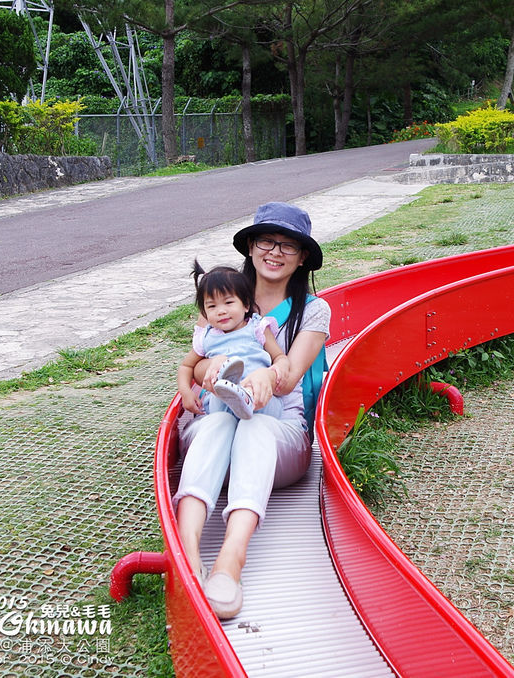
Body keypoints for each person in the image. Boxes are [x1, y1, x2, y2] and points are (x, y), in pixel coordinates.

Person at [173, 202, 330, 620]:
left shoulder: (312, 311)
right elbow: (197, 360)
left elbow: (291, 373)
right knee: (219, 423)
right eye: (266, 241)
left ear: (302, 259)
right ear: (250, 246)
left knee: (255, 426)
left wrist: (266, 376)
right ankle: (188, 553)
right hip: (218, 419)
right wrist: (215, 371)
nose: (275, 252)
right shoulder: (223, 297)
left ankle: (230, 562)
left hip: (278, 427)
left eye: (289, 246)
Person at [177, 261, 288, 421]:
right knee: (219, 401)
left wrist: (277, 370)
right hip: (220, 402)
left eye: (229, 303)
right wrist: (186, 392)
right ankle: (231, 393)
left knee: (262, 403)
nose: (221, 311)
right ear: (204, 312)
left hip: (258, 395)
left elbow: (279, 356)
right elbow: (186, 366)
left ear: (245, 304)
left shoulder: (257, 327)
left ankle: (243, 397)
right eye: (212, 306)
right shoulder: (206, 337)